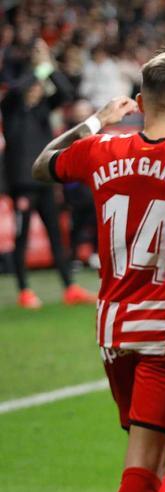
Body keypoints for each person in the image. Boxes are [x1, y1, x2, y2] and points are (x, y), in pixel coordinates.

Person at [33, 50, 165, 492]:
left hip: (114, 333)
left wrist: (97, 120)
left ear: (140, 102)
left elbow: (43, 164)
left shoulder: (99, 149)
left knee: (151, 455)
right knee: (144, 468)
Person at [1, 38, 93, 308]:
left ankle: (69, 287)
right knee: (22, 236)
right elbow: (18, 88)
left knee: (56, 234)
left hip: (44, 180)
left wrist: (49, 67)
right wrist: (39, 67)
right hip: (21, 183)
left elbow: (66, 94)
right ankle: (24, 291)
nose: (38, 89)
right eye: (37, 85)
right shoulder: (12, 107)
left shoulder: (42, 109)